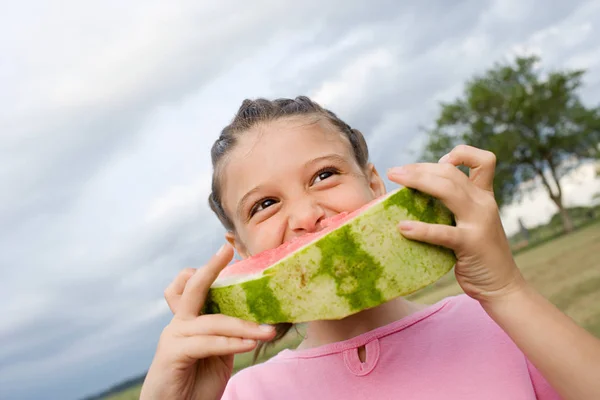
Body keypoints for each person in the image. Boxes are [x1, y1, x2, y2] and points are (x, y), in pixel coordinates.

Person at [140, 96, 600, 400]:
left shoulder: (501, 324)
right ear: (239, 249)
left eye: (324, 175)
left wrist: (507, 291)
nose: (305, 217)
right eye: (265, 204)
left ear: (375, 184)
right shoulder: (244, 394)